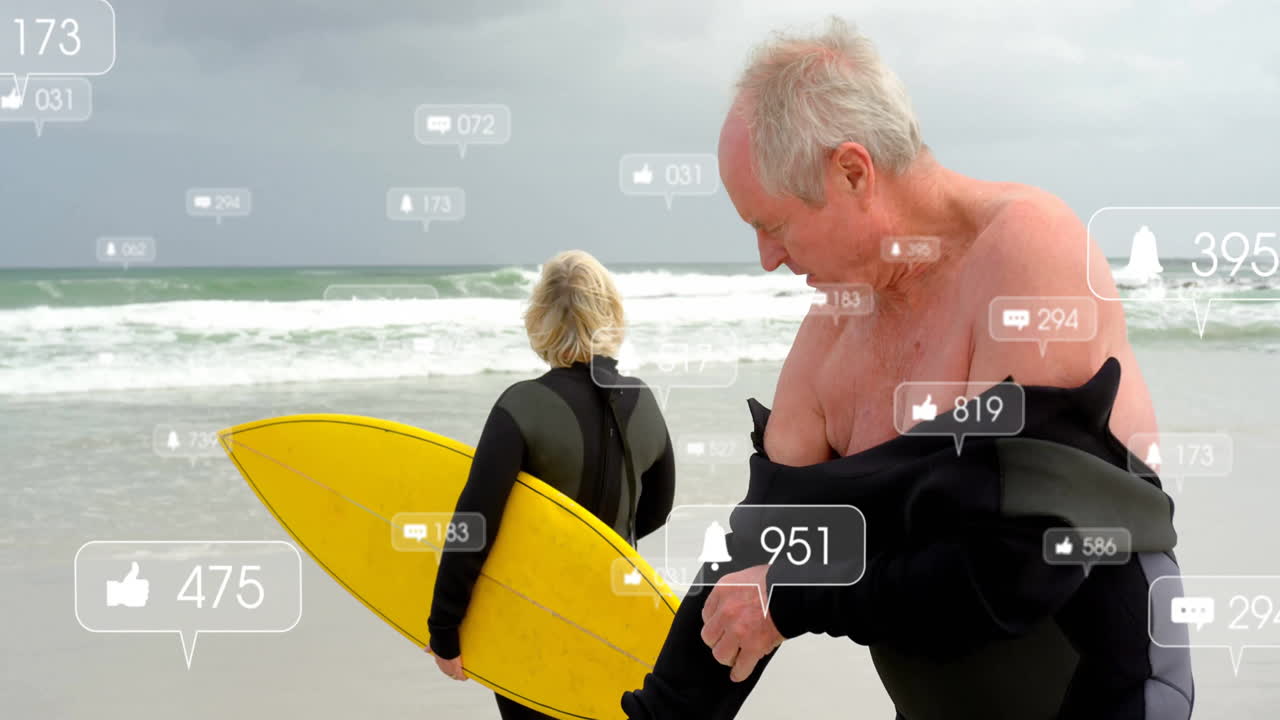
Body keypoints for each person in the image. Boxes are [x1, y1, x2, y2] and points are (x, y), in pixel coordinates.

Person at [621, 18, 1193, 720]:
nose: (767, 258)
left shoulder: (1026, 257)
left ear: (853, 172)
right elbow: (751, 564)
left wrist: (791, 598)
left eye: (771, 226)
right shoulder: (829, 335)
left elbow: (1018, 568)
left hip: (1107, 691)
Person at [427, 250, 677, 719]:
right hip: (616, 619)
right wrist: (605, 540)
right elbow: (658, 508)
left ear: (540, 318)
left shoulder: (522, 406)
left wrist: (444, 627)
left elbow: (473, 525)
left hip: (533, 623)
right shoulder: (644, 401)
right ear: (611, 315)